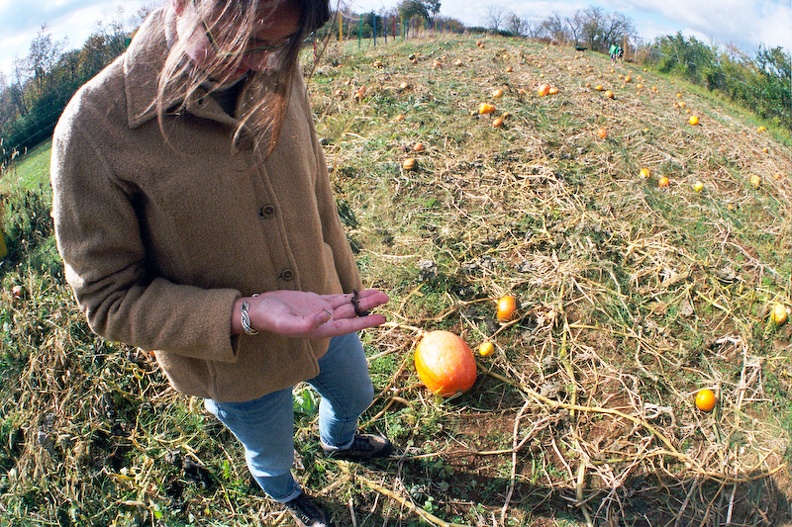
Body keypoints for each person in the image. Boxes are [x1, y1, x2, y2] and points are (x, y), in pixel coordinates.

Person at [49, 1, 392, 526]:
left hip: (328, 309)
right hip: (234, 366)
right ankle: (286, 493)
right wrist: (245, 313)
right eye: (245, 42)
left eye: (278, 44)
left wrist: (347, 285)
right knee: (271, 450)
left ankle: (339, 441)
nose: (261, 62)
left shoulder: (276, 61)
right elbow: (108, 299)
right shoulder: (95, 130)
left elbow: (317, 187)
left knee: (355, 394)